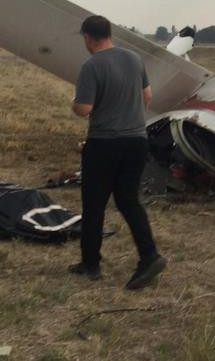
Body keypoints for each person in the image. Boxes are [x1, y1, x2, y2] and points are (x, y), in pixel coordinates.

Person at [71, 14, 166, 290]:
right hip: (137, 141)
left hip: (104, 144)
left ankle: (91, 264)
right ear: (109, 34)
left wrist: (74, 103)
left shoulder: (91, 66)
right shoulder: (135, 59)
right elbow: (147, 96)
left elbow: (84, 108)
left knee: (94, 204)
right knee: (128, 201)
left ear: (88, 38)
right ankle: (149, 256)